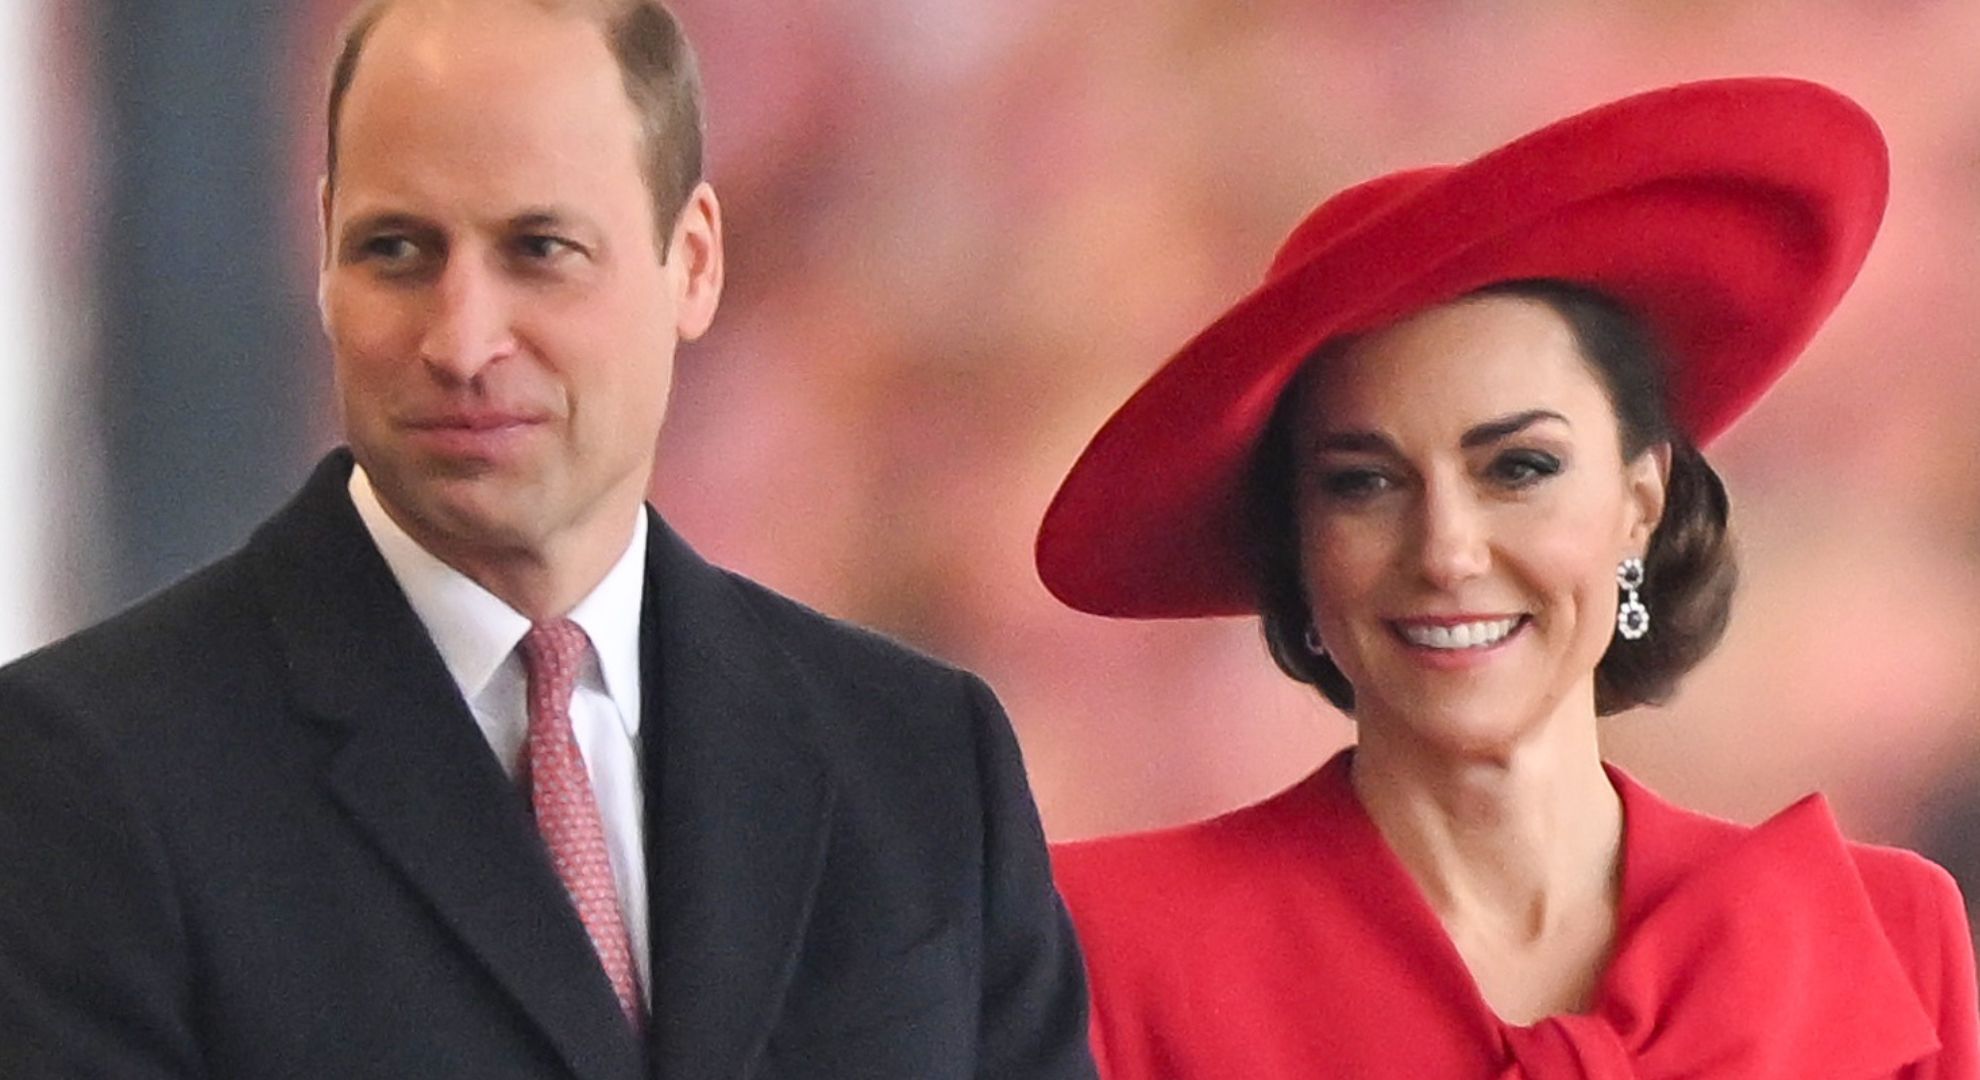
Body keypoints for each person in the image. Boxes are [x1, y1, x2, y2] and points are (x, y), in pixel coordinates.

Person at [0, 2, 1096, 1077]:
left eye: (541, 248)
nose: (464, 339)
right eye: (396, 250)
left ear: (694, 262)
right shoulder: (93, 775)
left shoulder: (919, 760)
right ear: (323, 259)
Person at [1039, 78, 1979, 1078]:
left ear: (1642, 496)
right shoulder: (1097, 948)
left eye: (1519, 469)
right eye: (1364, 484)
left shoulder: (1884, 939)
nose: (1446, 551)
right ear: (1300, 541)